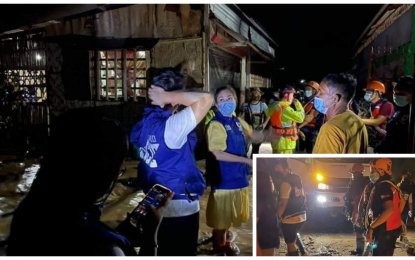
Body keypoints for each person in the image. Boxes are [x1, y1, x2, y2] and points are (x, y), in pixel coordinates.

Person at [7, 108, 173, 256]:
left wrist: (121, 232)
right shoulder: (107, 248)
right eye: (119, 169)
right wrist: (150, 236)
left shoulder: (28, 213)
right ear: (102, 171)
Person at [130, 70, 213, 256]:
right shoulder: (172, 127)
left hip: (155, 203)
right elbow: (206, 99)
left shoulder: (144, 123)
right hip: (179, 207)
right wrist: (169, 96)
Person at [205, 85, 253, 256]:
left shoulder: (237, 121)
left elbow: (252, 135)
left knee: (228, 214)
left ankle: (223, 235)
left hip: (238, 175)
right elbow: (217, 153)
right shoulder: (216, 124)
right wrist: (246, 160)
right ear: (217, 105)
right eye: (222, 100)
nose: (226, 102)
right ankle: (219, 246)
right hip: (225, 178)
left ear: (236, 101)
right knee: (221, 216)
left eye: (229, 98)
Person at [312, 73, 368, 154]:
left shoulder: (330, 129)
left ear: (335, 98)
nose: (317, 96)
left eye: (321, 92)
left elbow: (323, 165)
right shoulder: (358, 121)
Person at [365, 158, 403, 256]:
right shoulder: (391, 185)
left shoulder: (382, 187)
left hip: (384, 231)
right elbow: (401, 203)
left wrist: (371, 227)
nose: (371, 173)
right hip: (392, 229)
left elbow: (390, 209)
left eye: (373, 170)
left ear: (381, 171)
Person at [272, 158, 306, 256]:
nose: (277, 171)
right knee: (293, 234)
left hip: (290, 217)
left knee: (290, 243)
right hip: (302, 215)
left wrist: (276, 218)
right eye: (276, 169)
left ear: (286, 169)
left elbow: (283, 203)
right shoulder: (297, 177)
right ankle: (304, 253)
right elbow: (303, 195)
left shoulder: (285, 183)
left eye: (278, 169)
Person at [377, 77, 412, 153]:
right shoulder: (400, 111)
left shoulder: (411, 114)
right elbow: (392, 133)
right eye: (395, 93)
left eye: (401, 93)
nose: (396, 96)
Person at [265, 86, 305, 154]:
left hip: (276, 140)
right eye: (292, 95)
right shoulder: (286, 109)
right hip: (285, 143)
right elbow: (301, 118)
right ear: (287, 95)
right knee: (284, 163)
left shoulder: (275, 105)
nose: (293, 98)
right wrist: (298, 105)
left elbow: (267, 113)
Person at [361, 81, 395, 152]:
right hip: (368, 137)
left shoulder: (387, 105)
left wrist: (357, 119)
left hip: (381, 139)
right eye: (366, 91)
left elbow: (377, 122)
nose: (366, 94)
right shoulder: (366, 105)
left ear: (377, 93)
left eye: (369, 91)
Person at [343, 163, 370, 255]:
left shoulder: (355, 183)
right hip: (365, 210)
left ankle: (360, 251)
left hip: (358, 210)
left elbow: (357, 199)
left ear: (354, 173)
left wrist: (355, 214)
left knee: (359, 231)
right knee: (364, 230)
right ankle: (363, 250)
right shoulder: (366, 181)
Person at [257, 163, 280, 256]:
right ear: (264, 184)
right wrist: (257, 249)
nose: (273, 183)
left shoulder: (269, 201)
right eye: (271, 181)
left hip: (270, 242)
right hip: (264, 244)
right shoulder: (260, 203)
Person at [240, 87, 269, 156]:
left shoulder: (263, 105)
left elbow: (269, 115)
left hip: (258, 129)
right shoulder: (246, 105)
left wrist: (264, 124)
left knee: (256, 148)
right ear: (251, 95)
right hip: (248, 128)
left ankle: (253, 163)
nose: (257, 95)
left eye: (259, 94)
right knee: (245, 146)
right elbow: (240, 116)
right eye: (255, 93)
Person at [298, 81, 324, 153]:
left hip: (313, 130)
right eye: (306, 89)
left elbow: (311, 116)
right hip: (303, 129)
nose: (306, 91)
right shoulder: (303, 101)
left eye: (309, 89)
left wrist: (298, 127)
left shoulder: (318, 102)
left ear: (315, 91)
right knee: (301, 149)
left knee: (311, 150)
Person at [397, 170, 414, 238]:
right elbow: (410, 202)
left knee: (397, 222)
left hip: (398, 208)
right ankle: (403, 236)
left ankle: (396, 235)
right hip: (405, 209)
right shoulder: (410, 189)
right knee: (404, 223)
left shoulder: (398, 187)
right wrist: (411, 211)